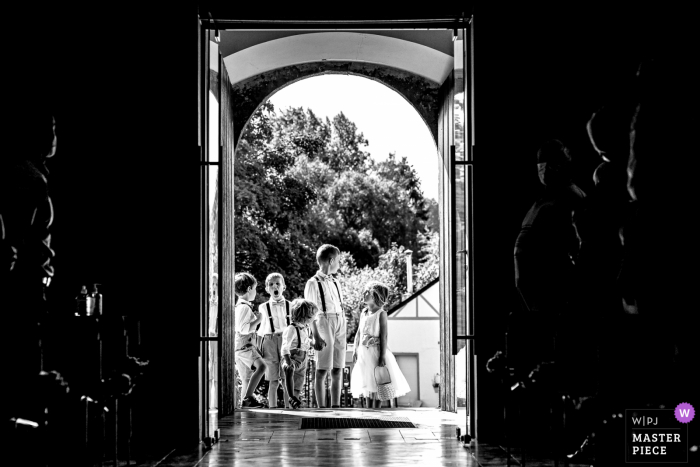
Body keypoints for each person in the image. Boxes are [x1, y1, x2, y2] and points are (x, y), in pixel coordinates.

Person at [512, 139, 586, 375]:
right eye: (540, 165)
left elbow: (578, 248)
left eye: (549, 165)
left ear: (562, 165)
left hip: (556, 303)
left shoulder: (572, 198)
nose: (544, 171)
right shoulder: (545, 199)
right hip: (537, 306)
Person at [350, 281, 410, 408]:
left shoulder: (381, 314)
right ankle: (367, 409)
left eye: (367, 292)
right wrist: (355, 350)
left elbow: (384, 336)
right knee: (366, 381)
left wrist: (382, 356)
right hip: (363, 353)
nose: (364, 294)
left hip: (375, 352)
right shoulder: (364, 312)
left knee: (377, 381)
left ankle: (376, 409)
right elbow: (358, 333)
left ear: (375, 296)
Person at [304, 244, 345, 408]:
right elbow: (310, 313)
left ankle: (336, 407)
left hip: (340, 321)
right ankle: (322, 409)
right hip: (323, 321)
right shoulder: (312, 283)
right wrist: (315, 336)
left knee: (338, 368)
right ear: (331, 260)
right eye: (339, 261)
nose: (339, 265)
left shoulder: (336, 282)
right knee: (322, 369)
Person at [256, 272, 292, 408]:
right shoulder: (263, 307)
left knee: (286, 378)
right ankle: (273, 409)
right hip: (269, 341)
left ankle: (289, 409)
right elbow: (261, 329)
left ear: (284, 287)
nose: (274, 286)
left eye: (278, 284)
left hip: (286, 341)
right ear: (267, 289)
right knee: (273, 380)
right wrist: (258, 347)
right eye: (271, 285)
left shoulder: (291, 305)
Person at [233, 272, 267, 408]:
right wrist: (258, 319)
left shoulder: (240, 306)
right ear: (248, 289)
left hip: (240, 347)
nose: (255, 292)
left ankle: (245, 406)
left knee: (246, 379)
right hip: (245, 346)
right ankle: (248, 398)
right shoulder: (244, 307)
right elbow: (244, 329)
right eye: (255, 288)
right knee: (262, 366)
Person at [281, 299, 318, 409]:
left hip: (303, 358)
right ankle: (291, 396)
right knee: (289, 371)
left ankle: (294, 403)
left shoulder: (305, 328)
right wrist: (288, 362)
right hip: (293, 357)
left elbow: (305, 342)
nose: (314, 319)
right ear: (305, 316)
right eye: (312, 316)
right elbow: (285, 347)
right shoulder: (291, 329)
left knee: (299, 383)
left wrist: (313, 344)